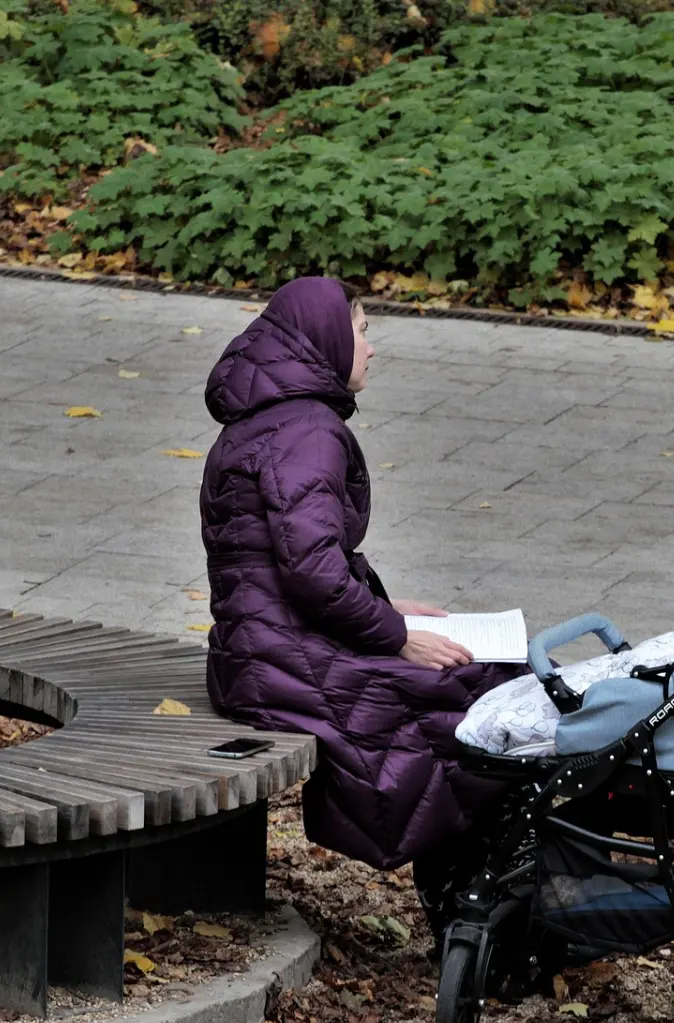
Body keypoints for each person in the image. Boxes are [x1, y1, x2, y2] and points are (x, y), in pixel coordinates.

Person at [200, 276, 521, 940]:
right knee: (484, 701)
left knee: (472, 686)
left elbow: (285, 560)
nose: (372, 348)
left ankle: (480, 896)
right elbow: (311, 573)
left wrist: (380, 601)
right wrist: (397, 636)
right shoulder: (306, 431)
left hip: (255, 655)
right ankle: (489, 905)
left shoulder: (272, 418)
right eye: (363, 330)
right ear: (325, 339)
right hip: (284, 662)